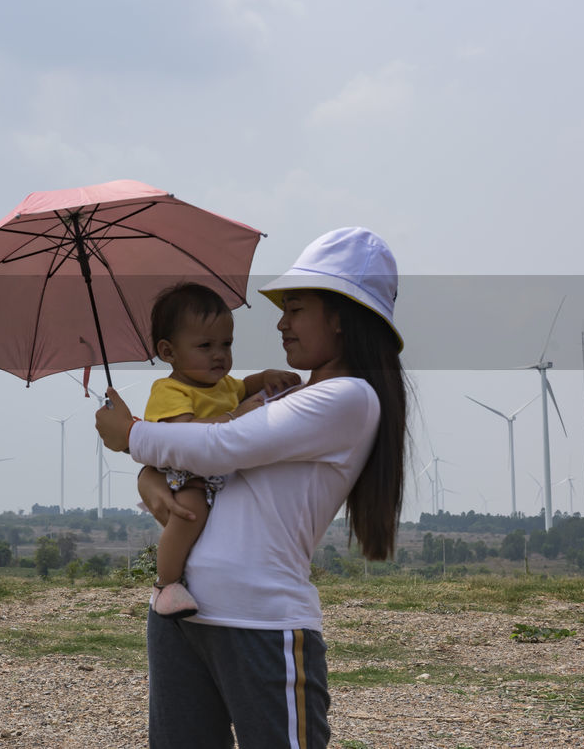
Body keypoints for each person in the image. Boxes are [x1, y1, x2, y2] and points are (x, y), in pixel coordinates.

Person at [96, 227, 408, 749]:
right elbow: (209, 459)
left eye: (296, 308)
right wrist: (151, 478)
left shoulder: (349, 398)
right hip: (183, 616)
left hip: (262, 622)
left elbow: (221, 445)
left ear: (340, 314)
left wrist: (131, 436)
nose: (281, 322)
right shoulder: (286, 397)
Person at [142, 282, 299, 619]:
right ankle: (166, 584)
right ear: (169, 352)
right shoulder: (169, 390)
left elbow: (246, 385)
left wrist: (267, 376)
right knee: (190, 511)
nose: (219, 355)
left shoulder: (223, 384)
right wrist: (233, 417)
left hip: (217, 474)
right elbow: (181, 435)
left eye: (226, 344)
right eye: (205, 346)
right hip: (184, 478)